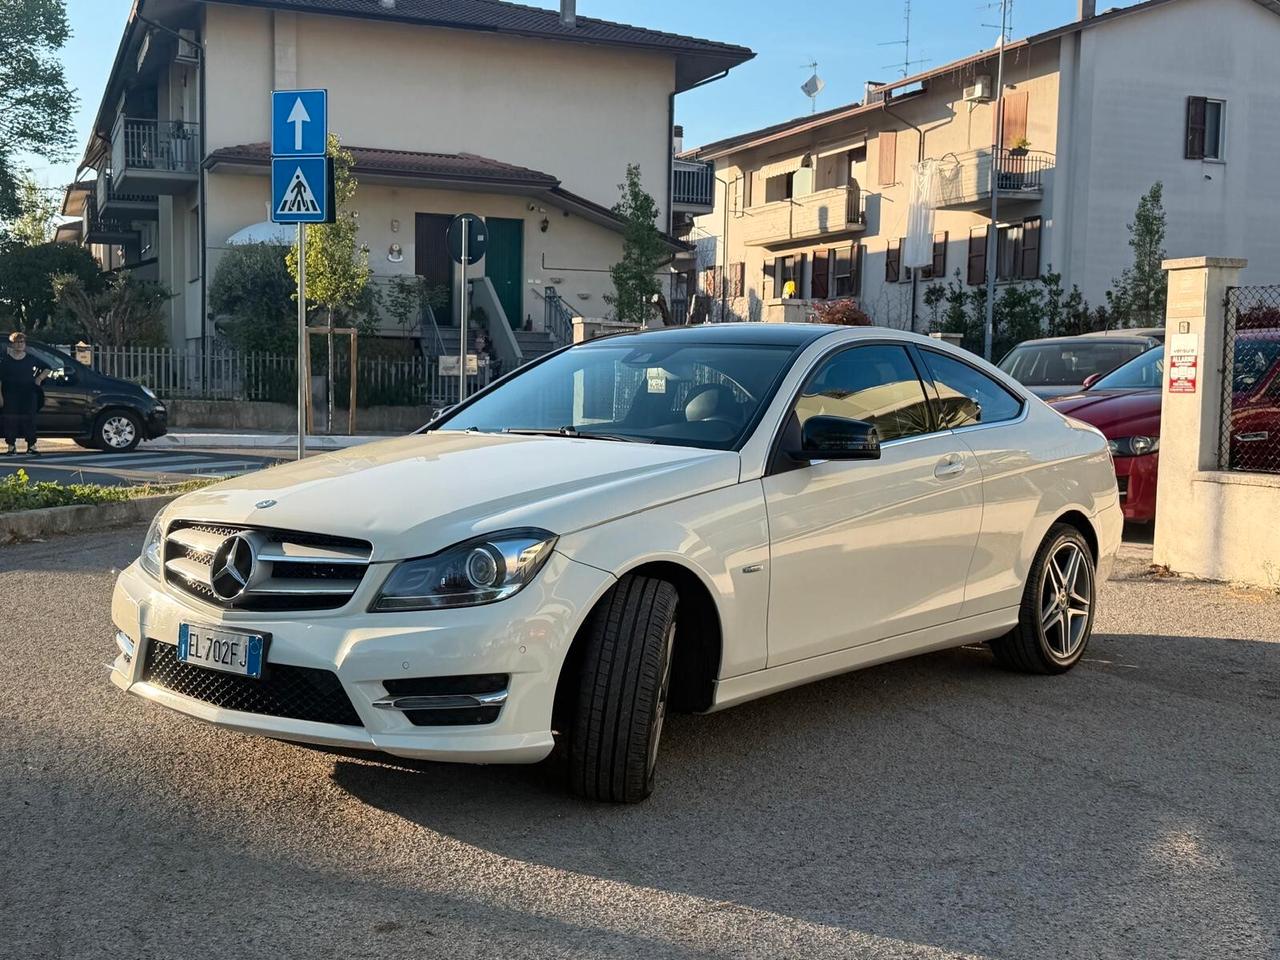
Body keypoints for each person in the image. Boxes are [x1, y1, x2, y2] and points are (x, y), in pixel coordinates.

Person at [0, 332, 48, 457]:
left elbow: (47, 367)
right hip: (10, 395)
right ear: (12, 344)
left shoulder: (31, 358)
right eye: (17, 342)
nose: (19, 344)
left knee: (29, 419)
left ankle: (31, 446)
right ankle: (11, 446)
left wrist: (39, 379)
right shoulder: (5, 361)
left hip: (28, 394)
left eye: (22, 342)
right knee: (10, 420)